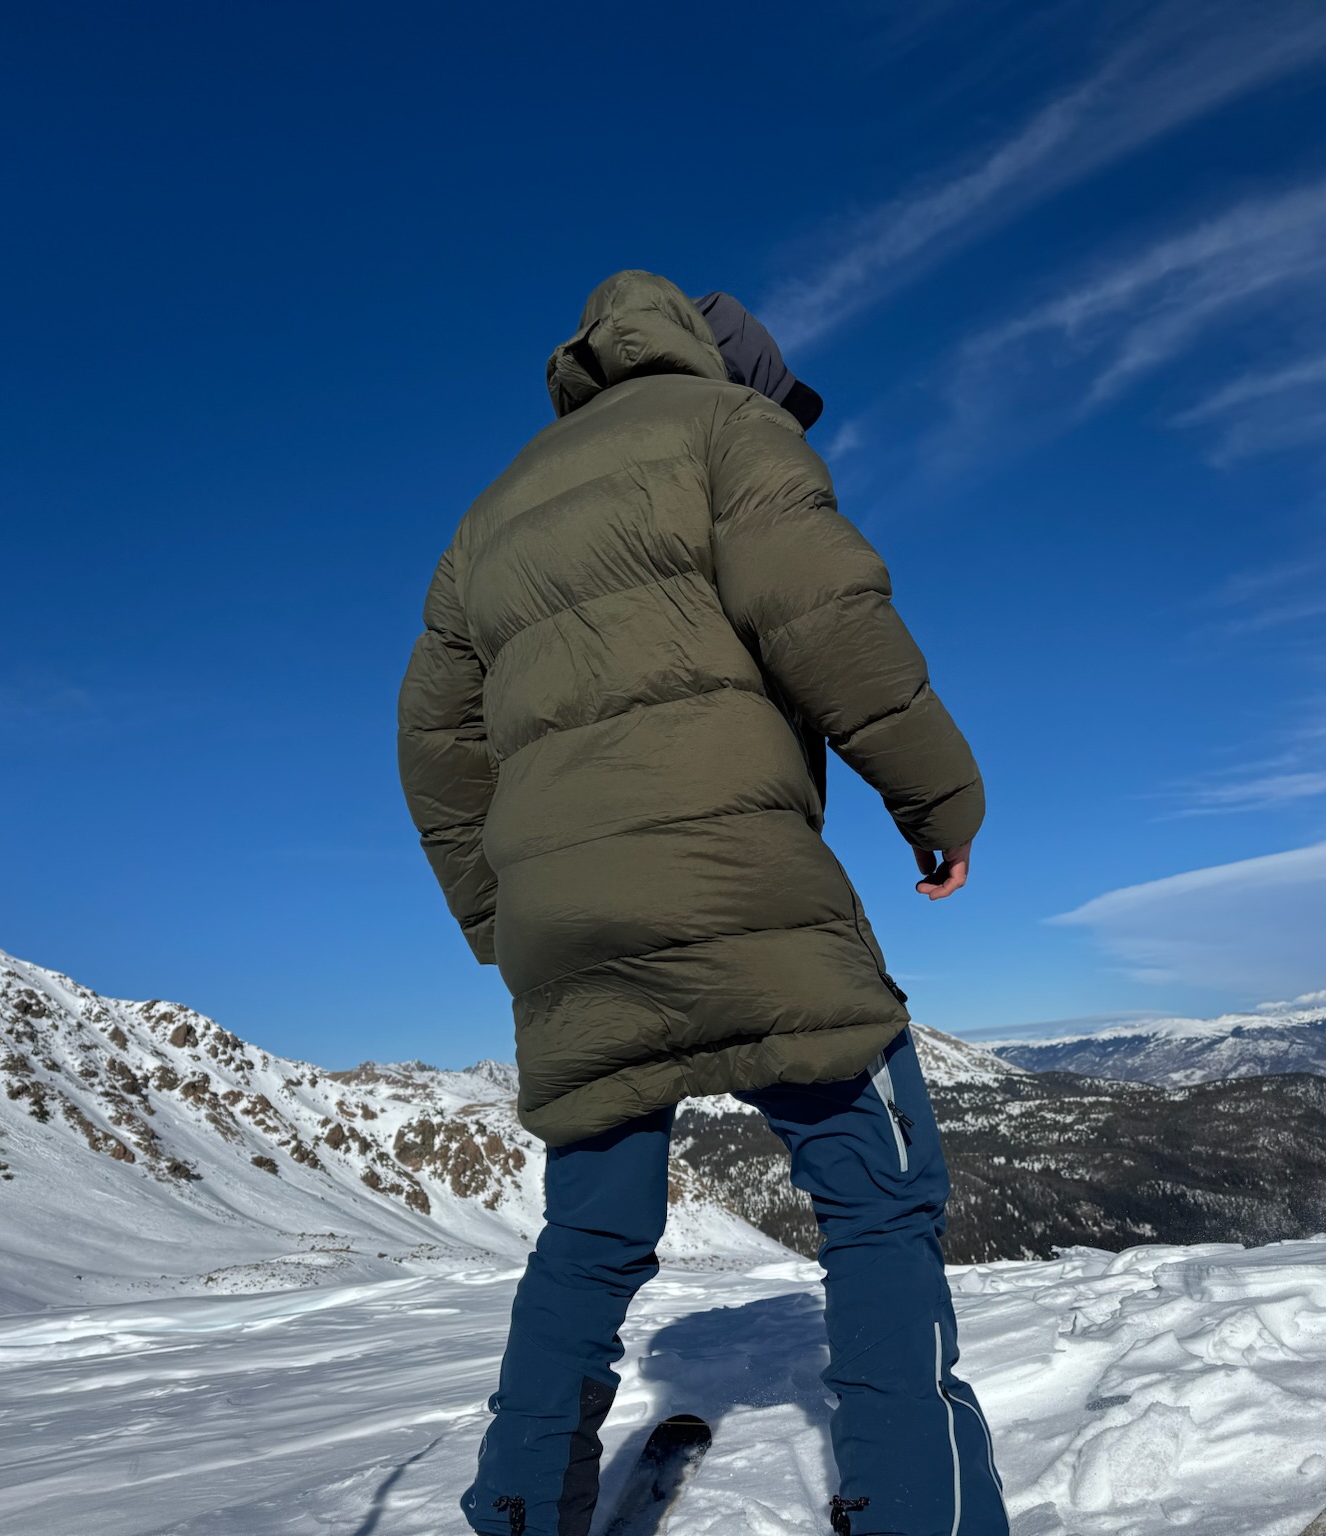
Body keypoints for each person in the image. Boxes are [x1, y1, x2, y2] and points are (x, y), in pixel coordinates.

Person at [397, 270, 1000, 1536]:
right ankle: (922, 1514)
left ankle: (517, 1512)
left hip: (565, 929)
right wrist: (934, 799)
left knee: (589, 1238)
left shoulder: (488, 516)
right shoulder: (730, 431)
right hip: (740, 879)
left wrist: (496, 918)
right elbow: (826, 616)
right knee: (875, 1200)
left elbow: (432, 742)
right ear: (731, 367)